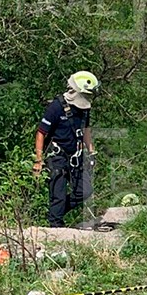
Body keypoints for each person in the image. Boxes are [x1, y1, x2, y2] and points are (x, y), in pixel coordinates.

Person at [34, 71, 100, 228]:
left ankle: (55, 214)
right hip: (57, 157)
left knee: (84, 191)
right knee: (58, 196)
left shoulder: (84, 108)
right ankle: (55, 225)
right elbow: (41, 133)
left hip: (76, 156)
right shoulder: (56, 107)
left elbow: (86, 130)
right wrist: (38, 160)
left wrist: (91, 152)